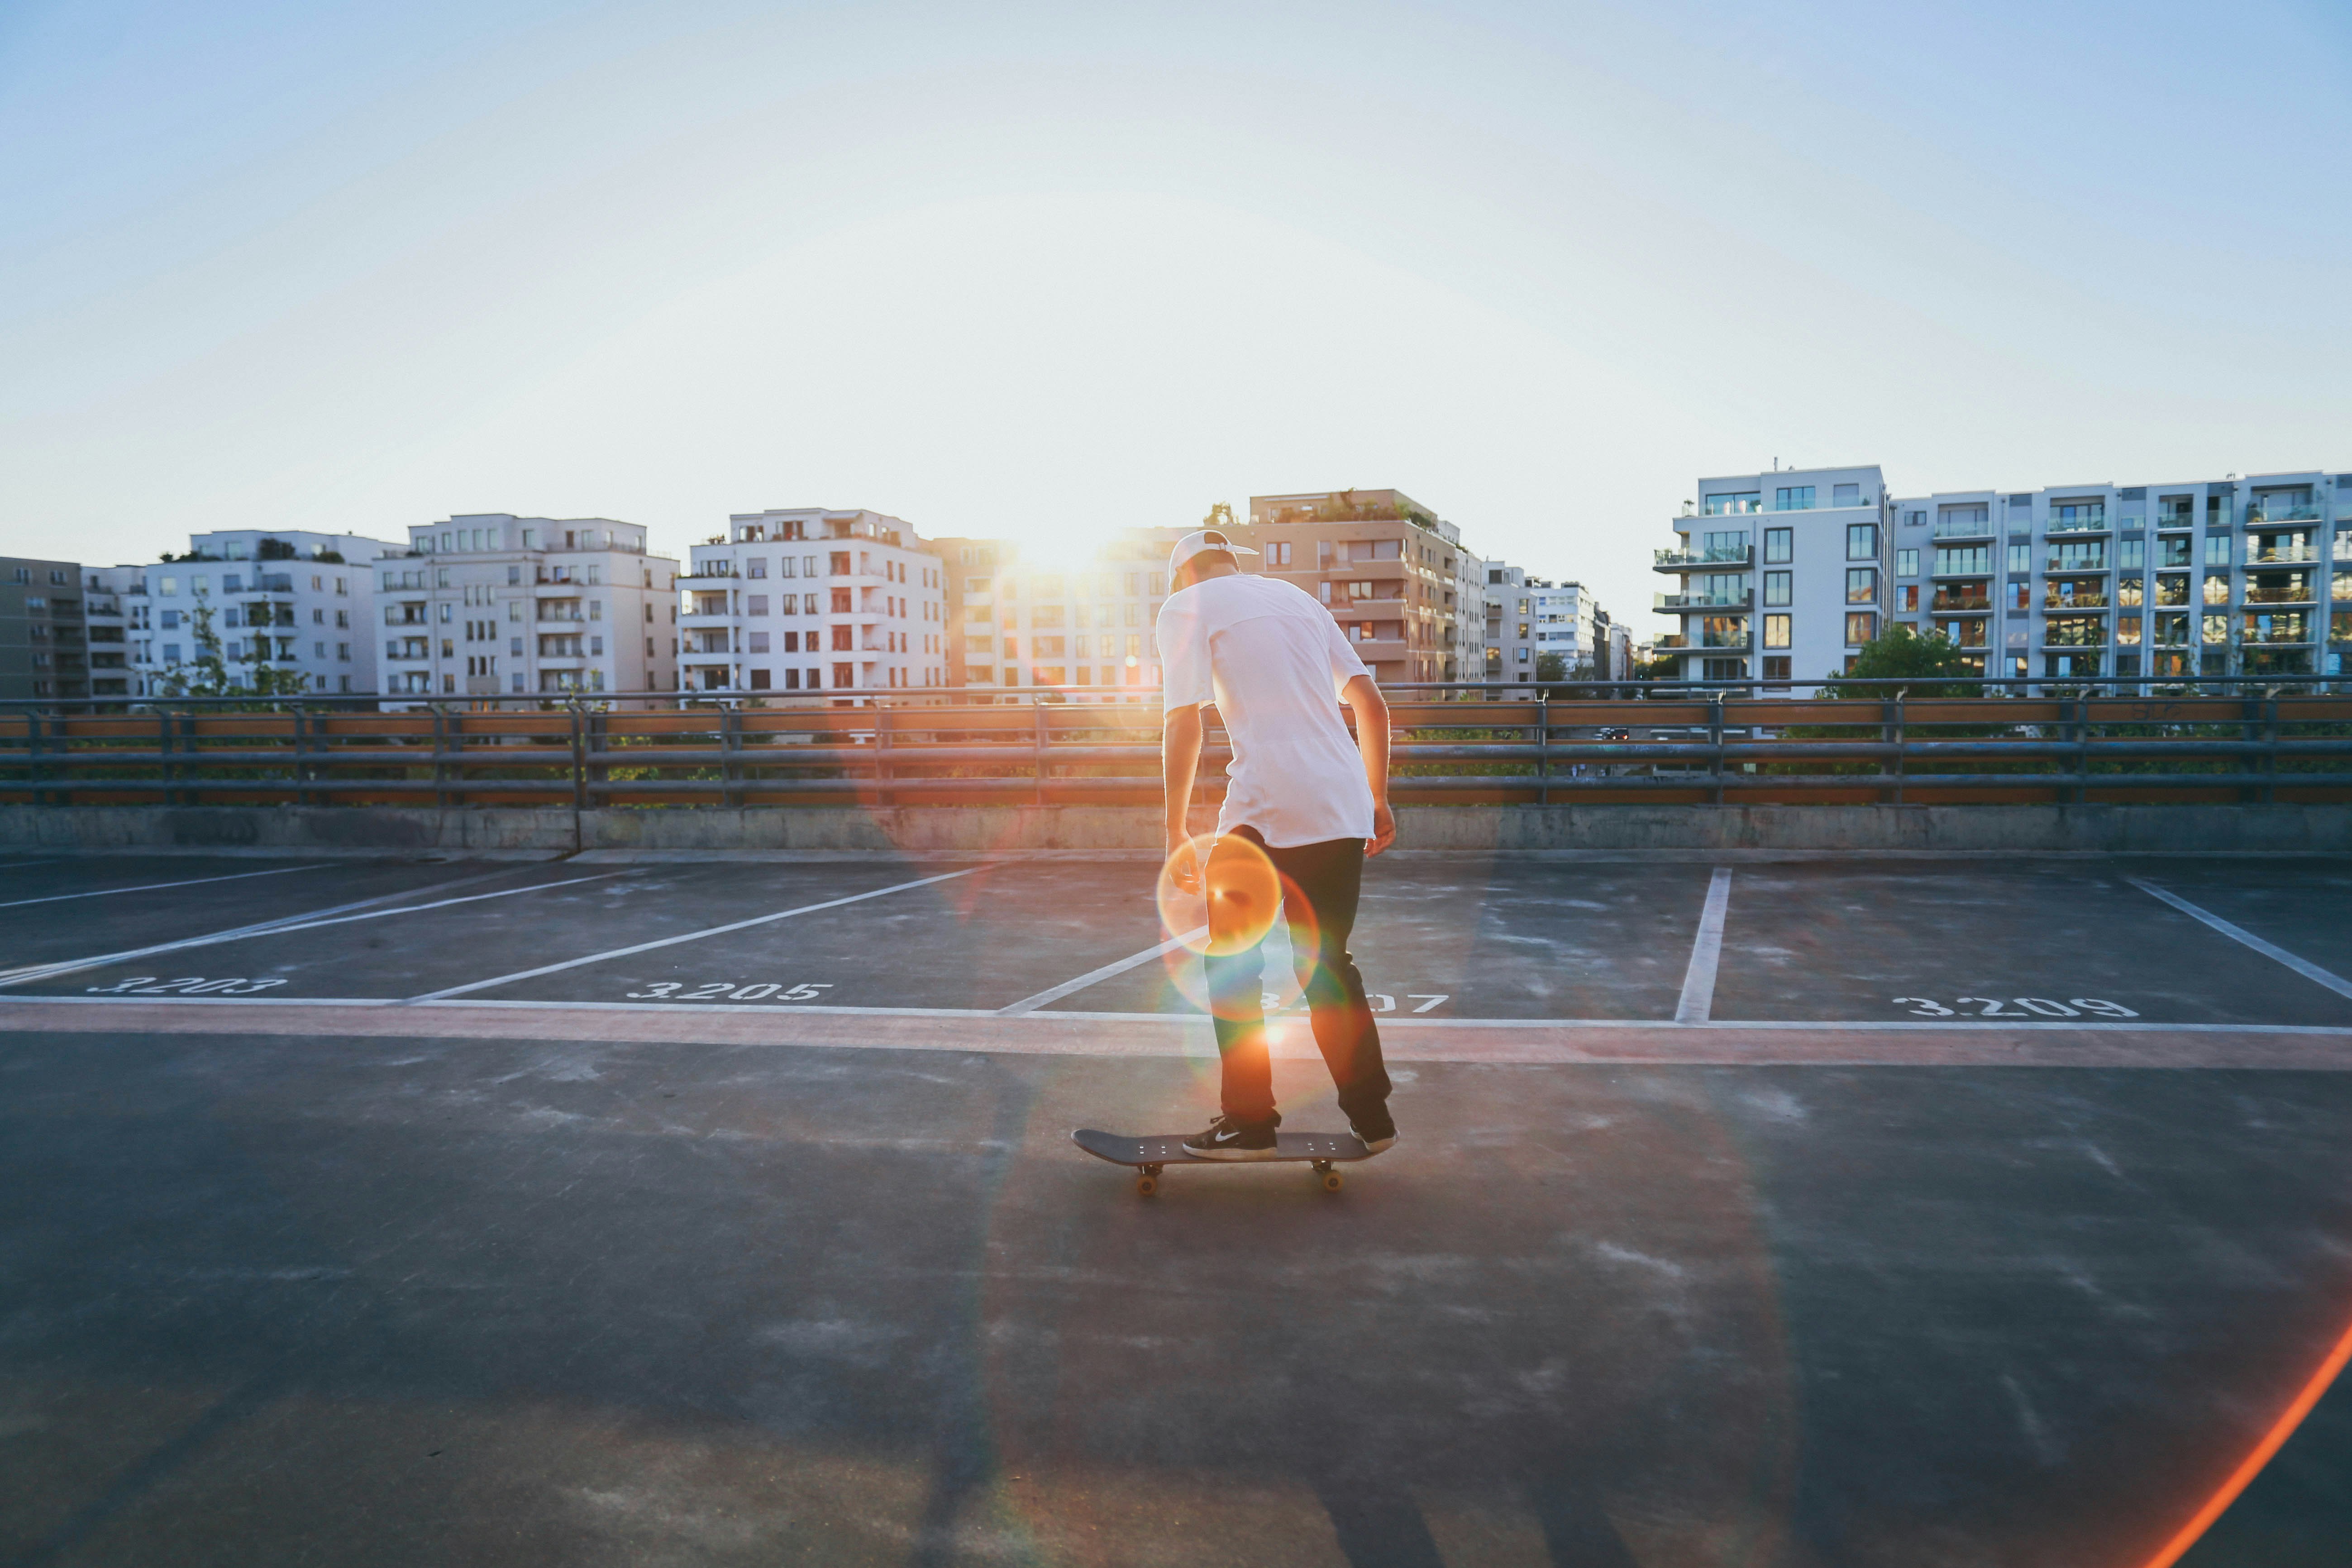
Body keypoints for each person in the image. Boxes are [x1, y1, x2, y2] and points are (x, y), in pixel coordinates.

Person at [1157, 527, 1398, 1159]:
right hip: (1342, 797)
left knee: (1232, 958)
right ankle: (1372, 1119)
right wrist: (1375, 798)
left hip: (1267, 799)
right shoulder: (1298, 600)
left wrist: (1174, 827)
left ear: (1183, 575)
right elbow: (1369, 704)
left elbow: (1184, 720)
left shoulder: (1186, 604)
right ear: (1234, 565)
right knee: (1326, 964)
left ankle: (1249, 1122)